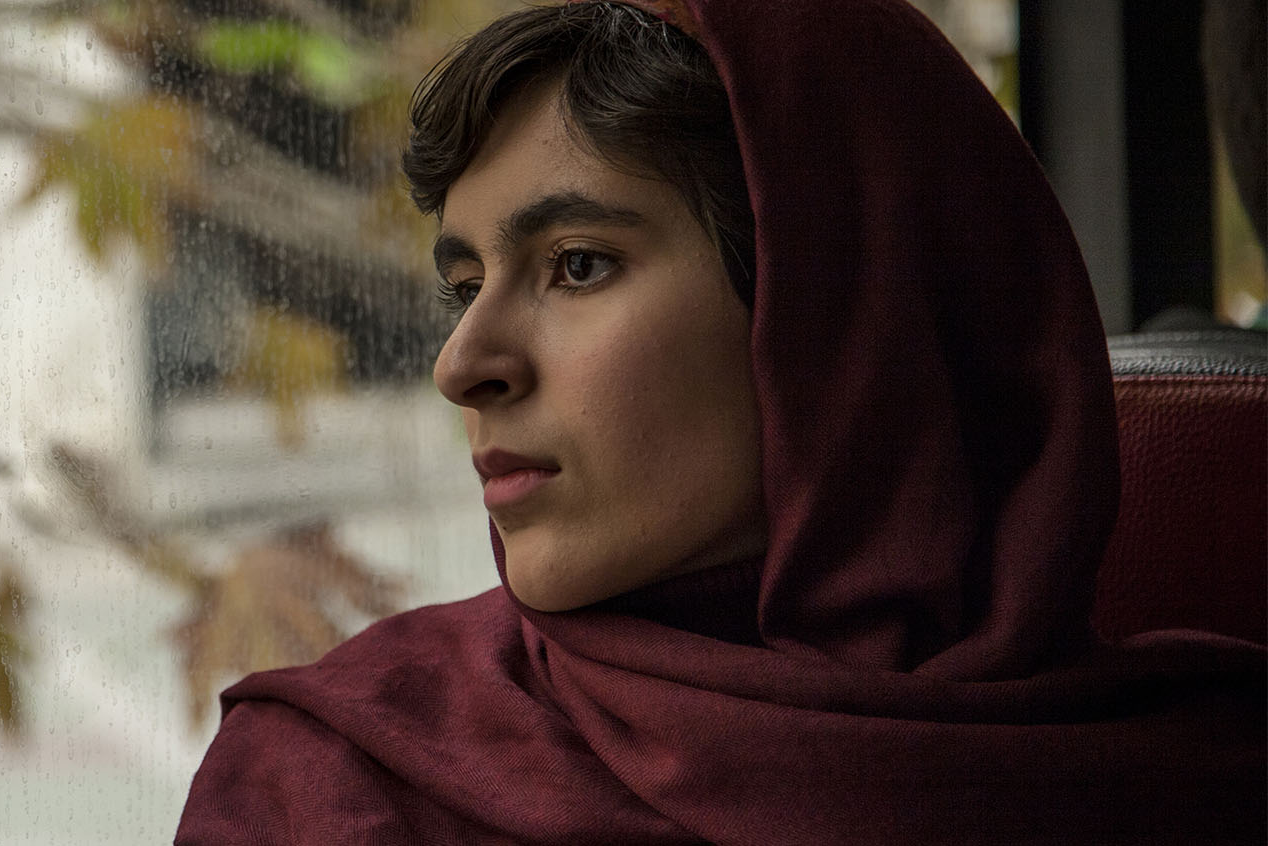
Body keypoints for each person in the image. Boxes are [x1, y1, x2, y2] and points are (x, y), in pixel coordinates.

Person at [176, 1, 1267, 842]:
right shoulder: (335, 787)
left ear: (842, 319)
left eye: (578, 265)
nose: (463, 366)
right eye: (465, 287)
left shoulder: (1201, 765)